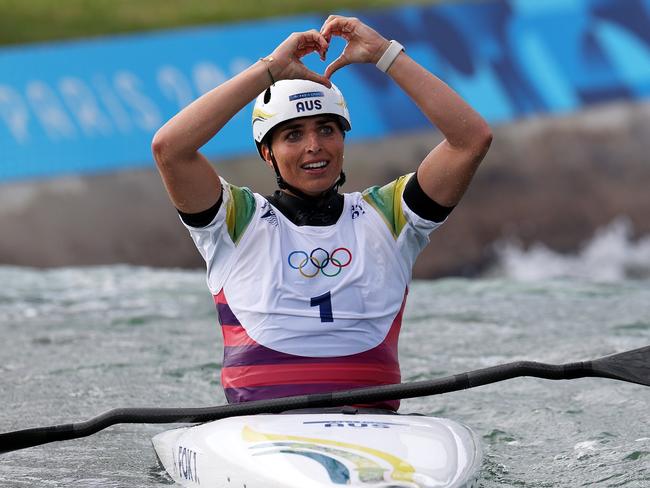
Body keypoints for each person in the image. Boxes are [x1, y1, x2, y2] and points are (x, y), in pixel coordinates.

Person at [152, 15, 492, 410]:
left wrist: (385, 54)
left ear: (343, 140)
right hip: (260, 435)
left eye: (327, 130)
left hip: (375, 436)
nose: (314, 145)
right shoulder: (235, 222)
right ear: (268, 153)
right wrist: (269, 70)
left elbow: (471, 140)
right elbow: (169, 149)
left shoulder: (390, 216)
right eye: (293, 135)